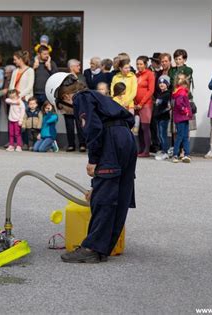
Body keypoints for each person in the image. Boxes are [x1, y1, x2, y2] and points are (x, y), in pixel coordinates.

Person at [45, 72, 136, 263]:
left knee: (104, 197)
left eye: (62, 108)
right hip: (126, 139)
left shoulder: (81, 99)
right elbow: (127, 119)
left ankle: (92, 248)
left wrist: (93, 161)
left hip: (112, 140)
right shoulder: (97, 96)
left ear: (65, 96)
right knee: (119, 193)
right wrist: (97, 185)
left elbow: (93, 129)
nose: (66, 112)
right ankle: (105, 246)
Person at [9, 50, 35, 150]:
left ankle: (25, 143)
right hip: (14, 100)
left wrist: (19, 96)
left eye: (15, 59)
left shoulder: (30, 71)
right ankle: (16, 143)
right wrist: (12, 96)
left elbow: (29, 87)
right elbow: (12, 85)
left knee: (22, 122)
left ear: (20, 59)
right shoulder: (15, 71)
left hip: (23, 100)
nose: (14, 61)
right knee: (14, 122)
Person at [58, 73, 87, 152]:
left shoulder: (78, 85)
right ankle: (71, 144)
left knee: (80, 127)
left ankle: (82, 144)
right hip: (66, 109)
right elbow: (59, 98)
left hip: (77, 109)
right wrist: (60, 107)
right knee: (69, 127)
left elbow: (84, 93)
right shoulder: (61, 87)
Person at [134, 56, 155, 157]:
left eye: (141, 64)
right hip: (136, 105)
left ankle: (146, 150)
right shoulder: (136, 75)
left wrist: (141, 103)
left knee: (145, 127)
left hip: (146, 104)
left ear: (145, 65)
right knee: (138, 129)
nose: (139, 66)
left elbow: (150, 90)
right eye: (137, 64)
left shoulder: (149, 74)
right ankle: (141, 149)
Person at [172, 78, 193, 163]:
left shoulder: (178, 92)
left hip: (182, 118)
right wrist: (186, 111)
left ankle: (185, 154)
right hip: (182, 117)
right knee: (182, 136)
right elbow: (179, 103)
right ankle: (178, 154)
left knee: (183, 136)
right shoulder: (182, 92)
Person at [153, 75, 172, 161]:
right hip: (158, 118)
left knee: (163, 135)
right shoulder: (160, 94)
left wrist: (160, 112)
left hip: (164, 118)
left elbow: (168, 107)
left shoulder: (167, 94)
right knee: (160, 135)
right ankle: (163, 150)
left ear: (167, 84)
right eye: (160, 82)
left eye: (164, 83)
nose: (161, 84)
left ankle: (165, 152)